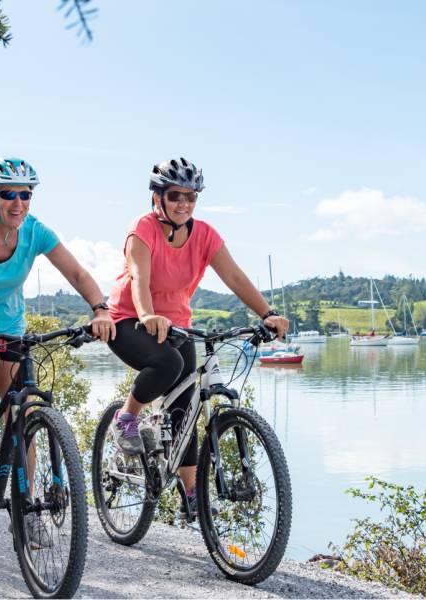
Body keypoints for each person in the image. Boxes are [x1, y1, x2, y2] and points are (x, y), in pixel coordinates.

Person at [106, 157, 289, 519]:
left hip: (178, 325)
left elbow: (235, 278)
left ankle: (190, 495)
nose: (184, 204)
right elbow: (140, 278)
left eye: (191, 197)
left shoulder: (204, 235)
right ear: (157, 197)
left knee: (185, 409)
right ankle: (126, 418)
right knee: (168, 364)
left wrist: (266, 313)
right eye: (176, 195)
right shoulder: (142, 228)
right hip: (129, 320)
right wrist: (147, 315)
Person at [0, 156, 115, 486]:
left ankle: (26, 504)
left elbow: (76, 273)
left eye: (25, 194)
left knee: (24, 415)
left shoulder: (35, 231)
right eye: (9, 194)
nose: (18, 203)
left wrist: (100, 309)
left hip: (10, 331)